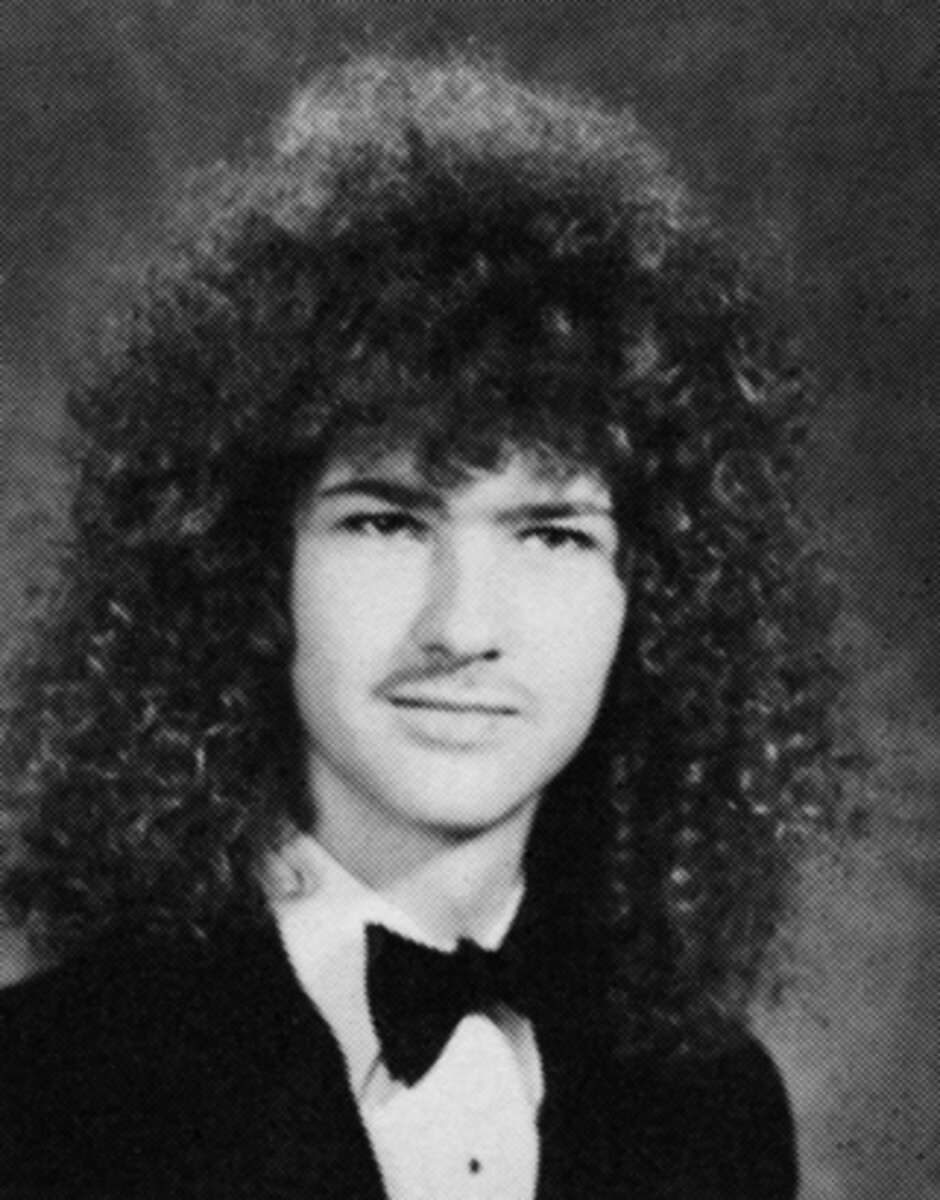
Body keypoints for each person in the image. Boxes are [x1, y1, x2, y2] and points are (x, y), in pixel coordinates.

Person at [0, 51, 836, 1199]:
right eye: (387, 521)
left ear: (653, 597)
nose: (462, 624)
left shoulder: (713, 1109)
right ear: (249, 566)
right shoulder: (39, 1089)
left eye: (551, 534)